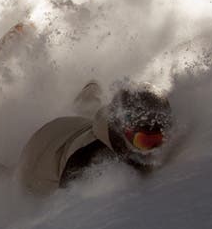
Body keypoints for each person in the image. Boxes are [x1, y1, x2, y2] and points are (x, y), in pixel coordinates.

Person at [15, 81, 173, 195]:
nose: (152, 151)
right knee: (20, 180)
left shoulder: (114, 125)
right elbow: (67, 206)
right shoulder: (87, 163)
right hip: (40, 156)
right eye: (144, 142)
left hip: (73, 129)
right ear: (123, 133)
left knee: (94, 117)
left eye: (158, 141)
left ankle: (86, 101)